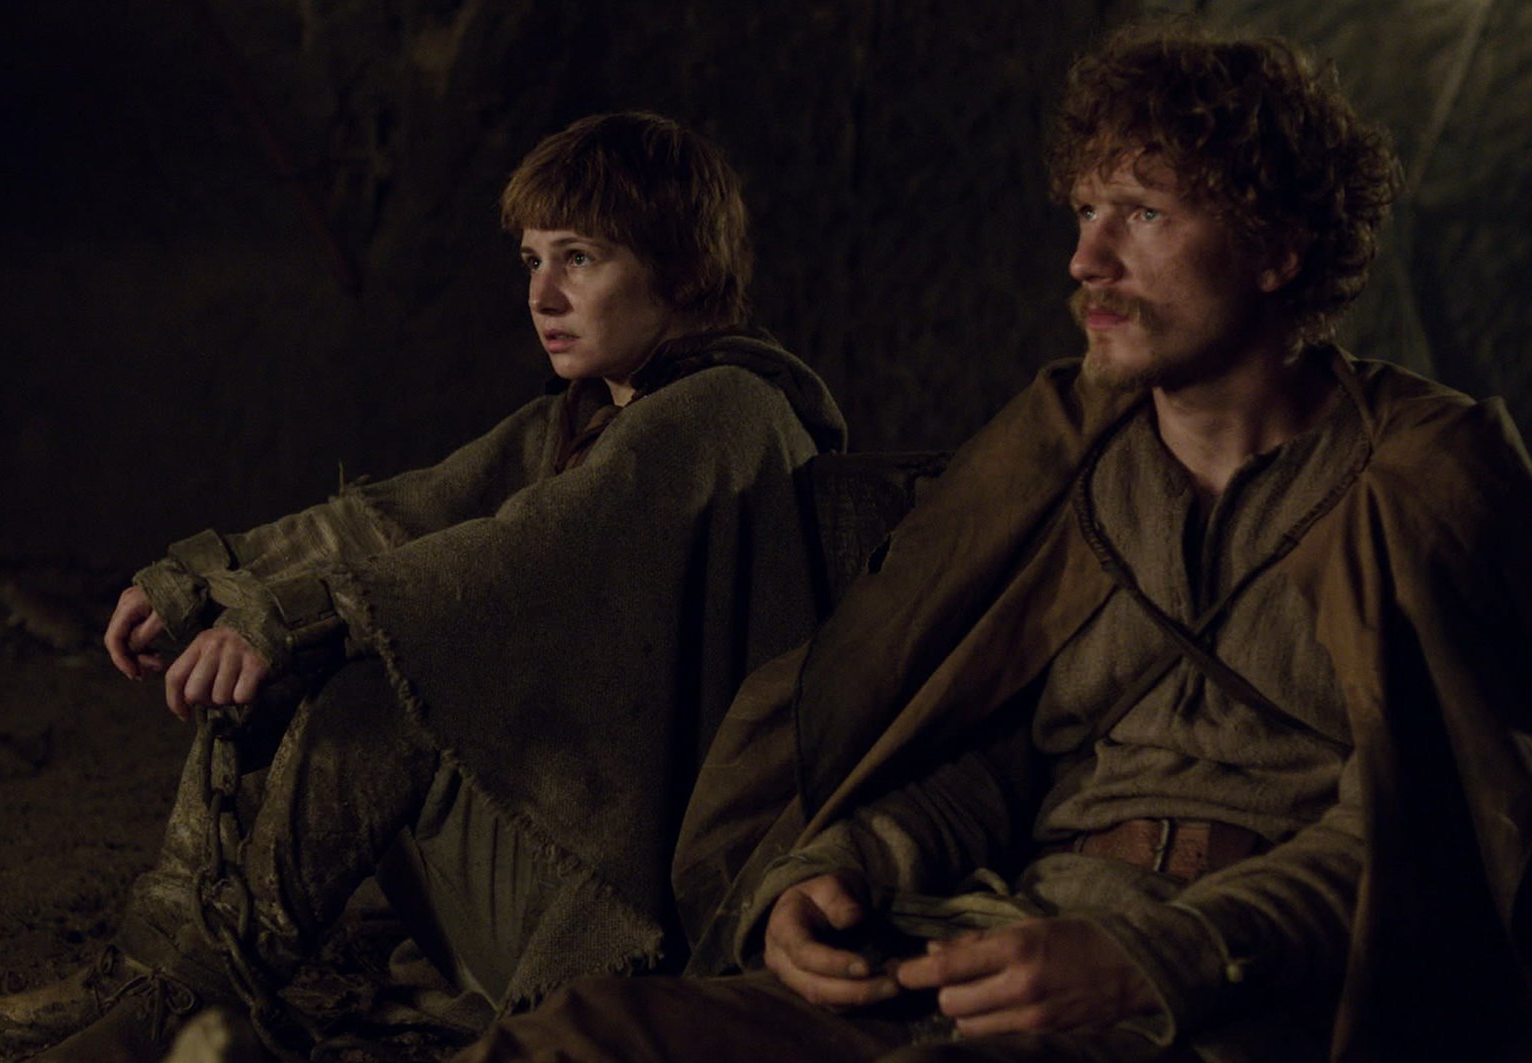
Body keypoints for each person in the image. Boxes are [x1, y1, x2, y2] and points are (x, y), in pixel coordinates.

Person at [452, 24, 1532, 1063]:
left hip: (1246, 1001)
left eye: (1144, 214)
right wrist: (840, 866)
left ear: (1277, 248)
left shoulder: (1424, 475)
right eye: (1086, 211)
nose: (1087, 259)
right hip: (996, 934)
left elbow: (1440, 821)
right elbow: (997, 749)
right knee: (582, 1040)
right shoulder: (1063, 456)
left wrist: (1159, 957)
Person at [0, 111, 846, 1061]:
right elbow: (403, 517)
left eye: (579, 259)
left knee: (377, 677)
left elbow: (515, 555)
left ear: (684, 268)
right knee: (329, 637)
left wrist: (288, 619)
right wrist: (207, 579)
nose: (541, 294)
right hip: (584, 862)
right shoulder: (597, 410)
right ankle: (153, 974)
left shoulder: (724, 411)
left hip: (644, 919)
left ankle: (177, 998)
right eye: (531, 260)